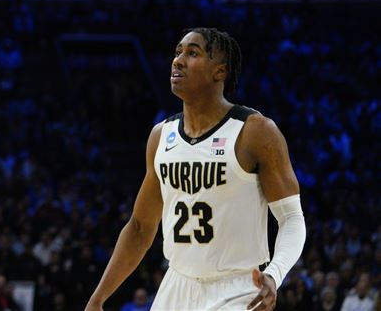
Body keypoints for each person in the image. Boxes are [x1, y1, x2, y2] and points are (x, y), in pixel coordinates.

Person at [85, 29, 306, 311]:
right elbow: (140, 227)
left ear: (220, 71)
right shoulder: (161, 136)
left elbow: (292, 219)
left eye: (192, 53)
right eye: (178, 52)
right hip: (175, 284)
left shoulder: (255, 132)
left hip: (236, 289)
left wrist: (274, 275)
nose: (178, 60)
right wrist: (98, 297)